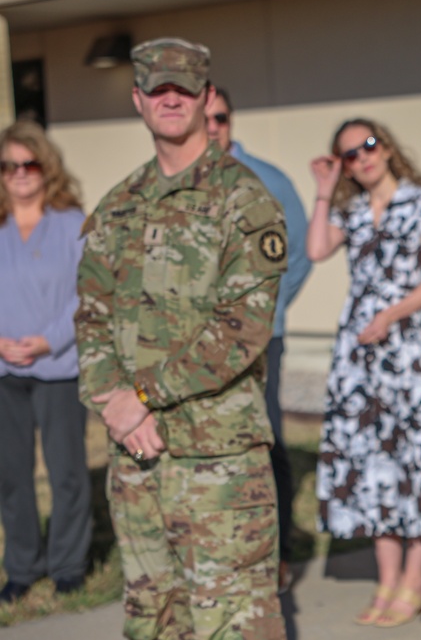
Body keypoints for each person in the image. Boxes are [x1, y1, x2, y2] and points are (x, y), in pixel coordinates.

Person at [74, 37, 288, 639]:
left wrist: (137, 395)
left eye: (184, 89)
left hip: (217, 465)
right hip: (136, 461)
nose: (171, 100)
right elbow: (89, 318)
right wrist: (114, 405)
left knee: (234, 624)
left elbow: (242, 329)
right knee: (152, 622)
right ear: (139, 100)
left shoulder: (244, 201)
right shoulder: (117, 207)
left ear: (207, 97)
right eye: (158, 90)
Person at [307, 118, 421, 628]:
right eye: (350, 154)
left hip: (407, 353)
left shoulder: (419, 202)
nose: (362, 158)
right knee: (373, 464)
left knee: (418, 460)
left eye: (368, 146)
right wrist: (324, 192)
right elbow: (314, 250)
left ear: (387, 147)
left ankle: (414, 582)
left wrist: (389, 315)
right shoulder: (351, 210)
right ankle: (387, 580)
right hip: (360, 360)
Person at [206, 87, 312, 592]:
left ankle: (278, 552)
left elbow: (300, 254)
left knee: (265, 440)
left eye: (219, 118)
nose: (211, 129)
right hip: (201, 348)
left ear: (231, 120)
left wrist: (265, 309)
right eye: (202, 119)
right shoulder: (185, 185)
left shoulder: (268, 181)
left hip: (259, 339)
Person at [0, 121, 91, 602]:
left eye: (28, 163)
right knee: (10, 474)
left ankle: (68, 564)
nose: (19, 173)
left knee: (67, 471)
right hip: (3, 372)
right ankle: (20, 566)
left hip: (58, 366)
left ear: (46, 166)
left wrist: (46, 341)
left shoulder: (72, 223)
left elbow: (87, 296)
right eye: (9, 165)